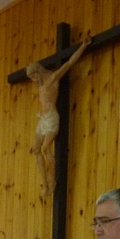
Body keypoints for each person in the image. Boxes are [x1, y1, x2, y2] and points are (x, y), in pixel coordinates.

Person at [27, 35, 92, 196]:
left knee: (45, 148)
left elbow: (69, 63)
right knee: (35, 149)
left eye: (34, 76)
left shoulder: (52, 78)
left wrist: (82, 46)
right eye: (31, 78)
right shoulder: (40, 84)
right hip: (42, 119)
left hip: (52, 118)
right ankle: (44, 183)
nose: (33, 80)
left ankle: (52, 180)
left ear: (38, 71)